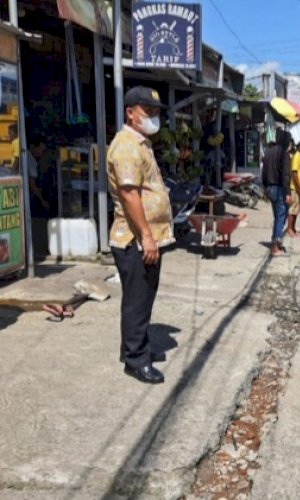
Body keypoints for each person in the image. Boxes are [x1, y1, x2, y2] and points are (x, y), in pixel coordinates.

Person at [107, 86, 173, 384]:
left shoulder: (140, 143)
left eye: (156, 112)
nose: (153, 117)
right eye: (148, 111)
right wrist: (146, 236)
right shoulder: (126, 147)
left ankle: (137, 347)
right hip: (134, 239)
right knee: (137, 299)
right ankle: (135, 360)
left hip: (147, 237)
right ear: (130, 113)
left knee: (144, 297)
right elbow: (129, 194)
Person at [262, 129, 292, 257]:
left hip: (270, 188)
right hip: (280, 189)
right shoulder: (283, 153)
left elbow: (263, 172)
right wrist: (288, 193)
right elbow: (286, 174)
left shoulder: (268, 152)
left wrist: (265, 187)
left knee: (278, 217)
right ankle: (275, 246)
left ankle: (276, 239)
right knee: (281, 216)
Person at [286, 140, 300, 238]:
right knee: (292, 210)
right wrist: (299, 187)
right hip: (295, 188)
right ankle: (289, 229)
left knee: (297, 210)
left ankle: (293, 229)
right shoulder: (296, 157)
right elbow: (294, 173)